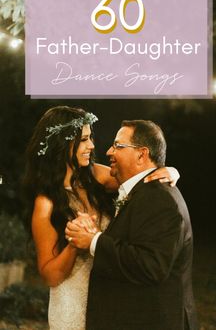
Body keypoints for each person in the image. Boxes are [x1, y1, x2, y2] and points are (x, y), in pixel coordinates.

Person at [23, 106, 180, 330]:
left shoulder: (96, 176)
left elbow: (139, 177)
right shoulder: (46, 204)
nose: (92, 146)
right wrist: (75, 244)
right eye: (84, 139)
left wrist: (171, 171)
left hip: (111, 299)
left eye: (91, 137)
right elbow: (50, 276)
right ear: (63, 144)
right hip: (72, 304)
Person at [66, 120, 198, 330]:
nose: (109, 151)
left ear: (142, 154)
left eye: (118, 146)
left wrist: (94, 242)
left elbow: (151, 265)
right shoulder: (140, 191)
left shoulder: (159, 198)